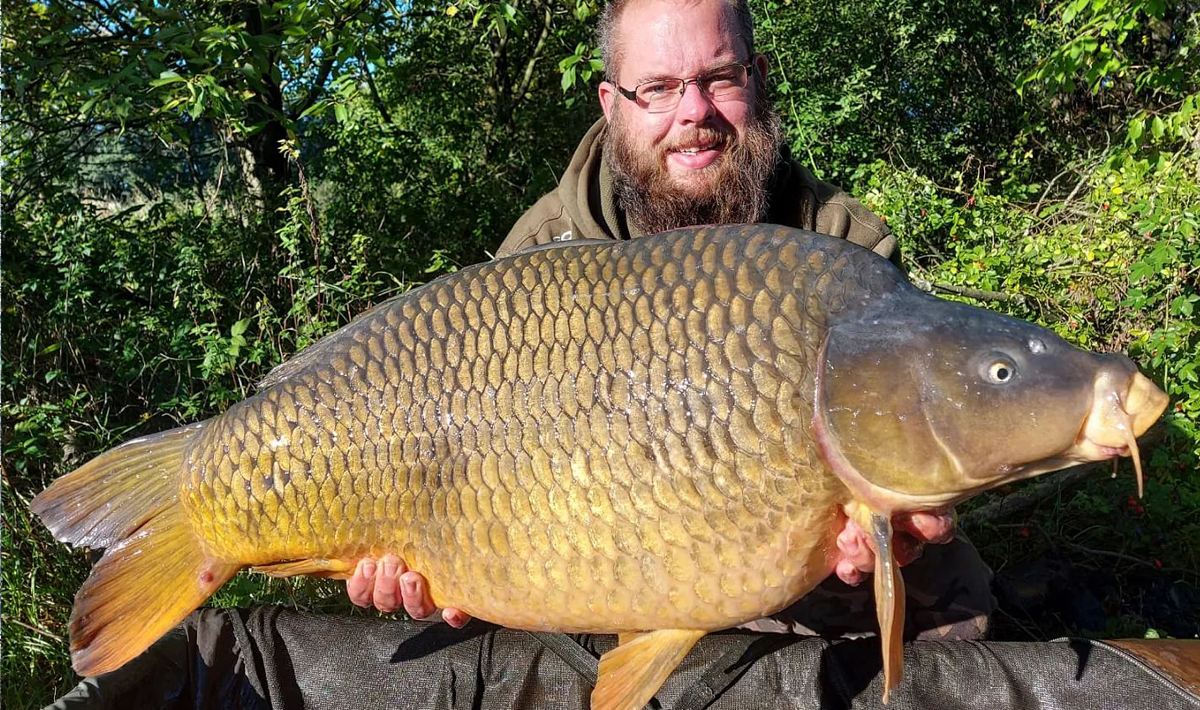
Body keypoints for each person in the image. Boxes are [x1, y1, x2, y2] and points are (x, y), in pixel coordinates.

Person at [345, 0, 994, 640]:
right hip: (586, 544)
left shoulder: (842, 247)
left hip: (774, 543)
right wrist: (429, 551)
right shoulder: (543, 250)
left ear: (758, 78)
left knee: (952, 596)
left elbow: (912, 432)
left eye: (720, 78)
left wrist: (888, 522)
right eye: (657, 87)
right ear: (612, 105)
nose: (694, 112)